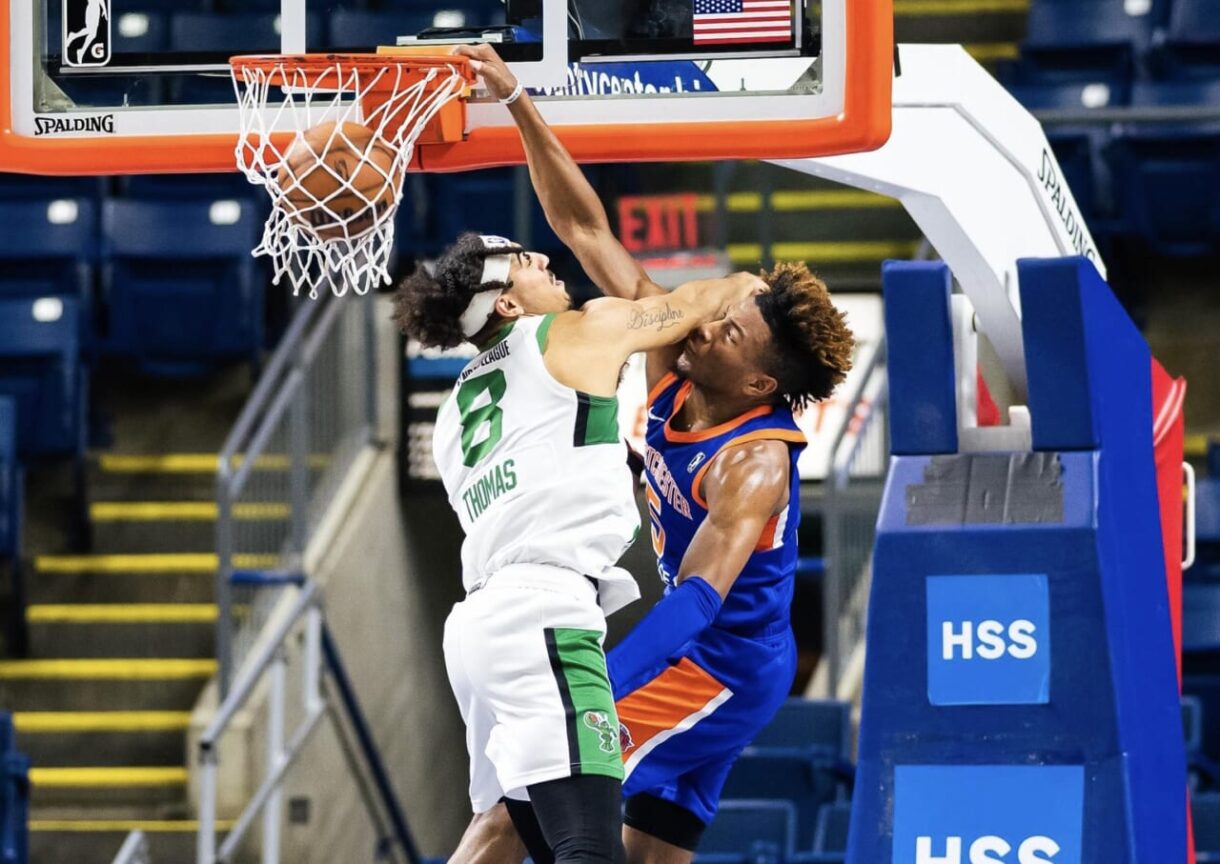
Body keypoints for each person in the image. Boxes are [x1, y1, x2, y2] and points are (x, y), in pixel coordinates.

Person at [447, 44, 856, 864]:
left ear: (759, 384)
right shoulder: (676, 363)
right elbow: (583, 226)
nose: (701, 325)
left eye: (729, 331)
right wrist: (519, 100)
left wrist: (600, 674)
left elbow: (699, 602)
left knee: (512, 816)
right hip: (713, 656)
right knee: (651, 854)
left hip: (715, 663)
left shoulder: (755, 462)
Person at [393, 210, 764, 860]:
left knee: (505, 838)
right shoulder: (576, 331)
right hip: (544, 618)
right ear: (507, 301)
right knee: (589, 848)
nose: (538, 257)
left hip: (478, 628)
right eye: (520, 260)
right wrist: (757, 289)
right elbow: (695, 301)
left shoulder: (454, 411)